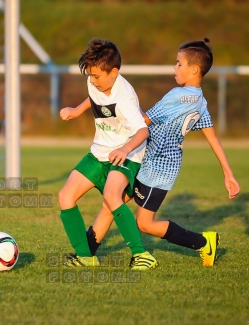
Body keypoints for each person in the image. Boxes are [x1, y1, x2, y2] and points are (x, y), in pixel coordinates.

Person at [86, 38, 240, 267]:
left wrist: (120, 112)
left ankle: (202, 242)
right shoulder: (200, 102)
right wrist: (228, 173)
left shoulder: (177, 96)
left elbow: (144, 120)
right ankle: (86, 252)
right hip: (149, 160)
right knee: (111, 201)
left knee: (144, 223)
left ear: (194, 69)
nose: (174, 68)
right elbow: (213, 138)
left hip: (159, 168)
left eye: (179, 64)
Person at [58, 38, 158, 271]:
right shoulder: (96, 81)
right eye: (90, 76)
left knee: (112, 197)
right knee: (65, 196)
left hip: (127, 155)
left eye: (97, 76)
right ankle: (85, 256)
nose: (93, 81)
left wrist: (124, 149)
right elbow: (94, 97)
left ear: (114, 72)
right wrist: (76, 110)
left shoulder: (125, 98)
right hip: (99, 152)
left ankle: (141, 254)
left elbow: (143, 131)